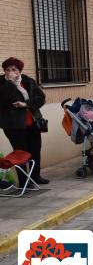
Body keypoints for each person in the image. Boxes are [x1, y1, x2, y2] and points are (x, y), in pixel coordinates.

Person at [0, 57, 49, 186]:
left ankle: (36, 176)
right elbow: (4, 99)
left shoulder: (27, 81)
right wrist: (10, 82)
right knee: (20, 153)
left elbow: (41, 98)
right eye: (7, 70)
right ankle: (24, 181)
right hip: (13, 125)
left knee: (35, 150)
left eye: (14, 69)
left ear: (19, 71)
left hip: (32, 122)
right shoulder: (2, 83)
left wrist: (26, 104)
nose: (11, 72)